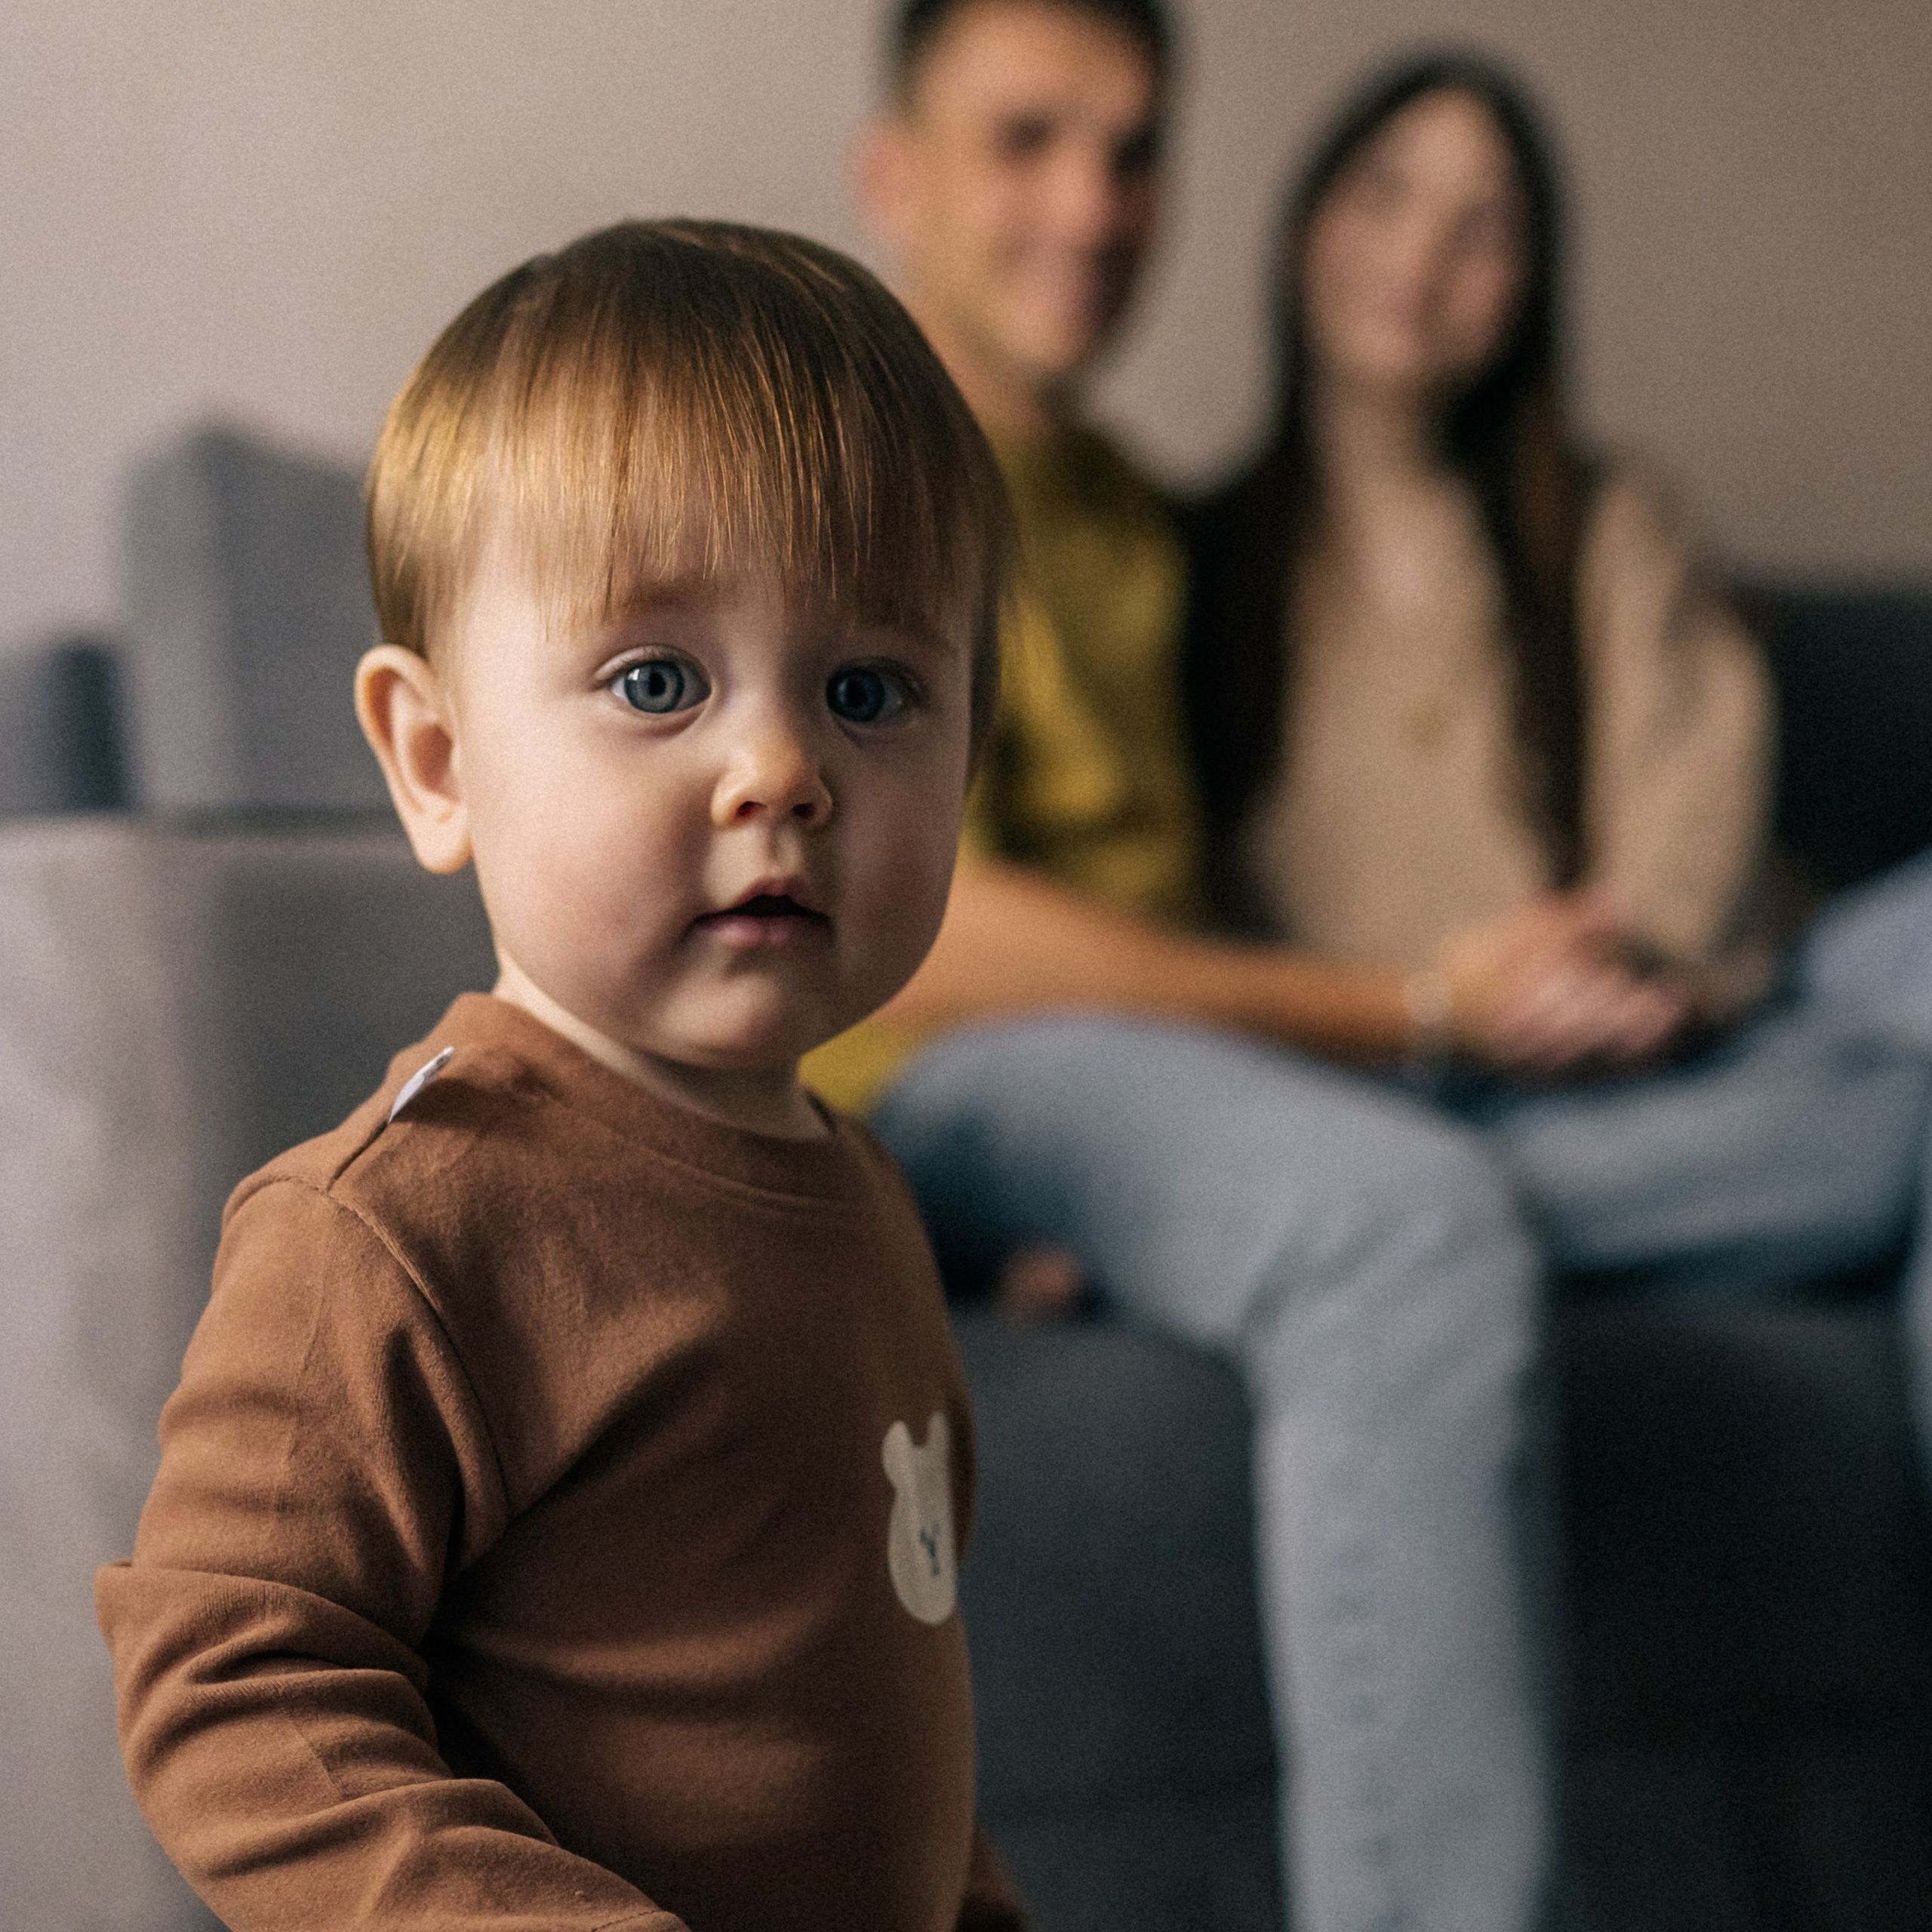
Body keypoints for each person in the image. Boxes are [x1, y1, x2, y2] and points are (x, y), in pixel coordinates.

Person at [94, 220, 1027, 1932]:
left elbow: (901, 1717)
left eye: (868, 686)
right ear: (437, 762)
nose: (782, 767)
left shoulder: (860, 1191)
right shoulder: (400, 1222)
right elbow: (229, 1672)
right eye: (655, 680)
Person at [818, 5, 1571, 1930]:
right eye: (1025, 139)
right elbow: (913, 908)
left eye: (1132, 148)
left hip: (1160, 1092)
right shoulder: (839, 454)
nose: (1090, 203)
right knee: (1405, 1220)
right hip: (946, 1070)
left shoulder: (1143, 520)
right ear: (891, 172)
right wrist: (1409, 1008)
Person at [1183, 52, 1932, 1312]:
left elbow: (1692, 817)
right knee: (1891, 1130)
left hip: (1690, 1034)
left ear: (1528, 287)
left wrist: (1634, 972)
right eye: (1385, 193)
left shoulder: (1608, 523)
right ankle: (1424, 1224)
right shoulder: (1195, 563)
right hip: (1413, 1091)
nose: (1421, 252)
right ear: (1309, 219)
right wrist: (1436, 1017)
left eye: (1483, 227)